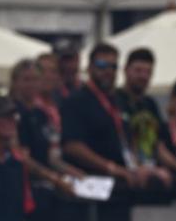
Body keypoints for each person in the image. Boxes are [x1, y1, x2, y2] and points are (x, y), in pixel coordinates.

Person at [9, 60, 81, 221]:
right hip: (20, 190)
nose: (31, 85)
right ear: (15, 82)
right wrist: (54, 179)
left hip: (46, 197)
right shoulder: (11, 112)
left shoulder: (42, 115)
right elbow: (19, 155)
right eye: (26, 79)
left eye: (35, 79)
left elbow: (52, 156)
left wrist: (77, 174)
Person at [116, 47, 176, 189]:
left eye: (148, 72)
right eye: (138, 70)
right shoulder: (115, 101)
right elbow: (119, 140)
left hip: (150, 177)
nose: (143, 76)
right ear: (126, 70)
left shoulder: (150, 104)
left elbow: (158, 145)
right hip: (125, 177)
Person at [61, 42, 144, 187]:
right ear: (90, 68)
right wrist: (110, 167)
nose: (108, 71)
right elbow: (72, 146)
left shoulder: (119, 99)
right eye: (102, 65)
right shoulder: (77, 100)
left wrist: (136, 166)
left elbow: (127, 137)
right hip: (90, 182)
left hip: (122, 181)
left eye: (113, 66)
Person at [52, 38, 81, 105]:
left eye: (70, 60)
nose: (67, 66)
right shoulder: (47, 93)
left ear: (77, 60)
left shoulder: (85, 89)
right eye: (62, 61)